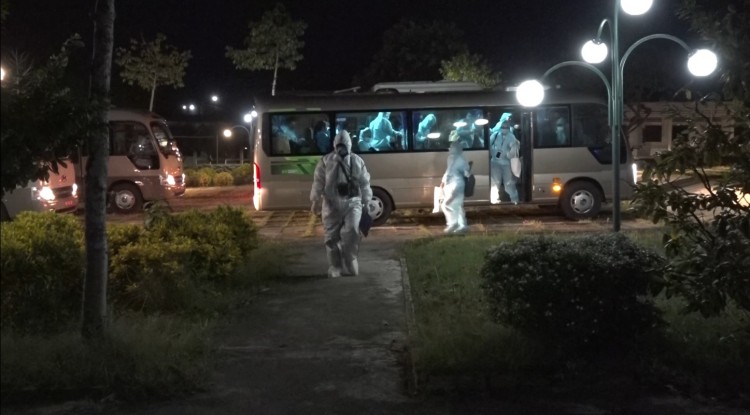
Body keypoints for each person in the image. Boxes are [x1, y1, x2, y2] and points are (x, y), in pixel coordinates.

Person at [310, 130, 373, 278]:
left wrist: (367, 200)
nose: (341, 149)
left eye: (343, 146)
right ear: (334, 145)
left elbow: (364, 182)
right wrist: (315, 200)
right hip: (331, 203)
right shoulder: (326, 161)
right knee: (331, 237)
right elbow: (318, 182)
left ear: (349, 146)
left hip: (352, 202)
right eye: (339, 146)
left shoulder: (357, 161)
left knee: (352, 232)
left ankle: (350, 260)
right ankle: (335, 265)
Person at [440, 134, 471, 234]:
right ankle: (462, 226)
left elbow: (466, 172)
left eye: (452, 147)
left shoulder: (460, 160)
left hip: (457, 185)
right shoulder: (451, 158)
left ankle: (453, 223)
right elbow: (448, 171)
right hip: (451, 184)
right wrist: (443, 181)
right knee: (457, 206)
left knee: (446, 204)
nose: (450, 149)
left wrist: (466, 172)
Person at [489, 113, 520, 205]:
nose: (504, 129)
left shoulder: (512, 137)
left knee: (509, 184)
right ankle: (494, 200)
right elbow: (489, 145)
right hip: (495, 163)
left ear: (508, 128)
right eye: (502, 127)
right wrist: (493, 152)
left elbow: (514, 151)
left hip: (506, 164)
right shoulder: (495, 135)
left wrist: (507, 154)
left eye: (506, 127)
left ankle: (515, 200)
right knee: (494, 183)